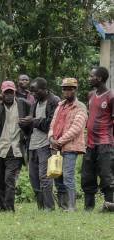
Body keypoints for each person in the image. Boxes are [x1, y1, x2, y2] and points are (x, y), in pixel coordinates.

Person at [0, 81, 32, 212]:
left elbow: (31, 119)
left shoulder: (24, 104)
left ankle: (9, 208)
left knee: (9, 180)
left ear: (15, 92)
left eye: (11, 92)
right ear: (2, 93)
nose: (9, 95)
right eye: (6, 92)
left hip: (16, 149)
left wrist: (27, 125)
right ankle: (1, 208)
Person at [48, 78, 88, 212]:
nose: (67, 91)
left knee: (68, 176)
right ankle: (63, 206)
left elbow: (76, 128)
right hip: (56, 146)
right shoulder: (60, 105)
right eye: (65, 88)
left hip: (70, 147)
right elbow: (53, 123)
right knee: (57, 175)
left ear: (75, 89)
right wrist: (51, 137)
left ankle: (72, 206)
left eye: (70, 88)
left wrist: (59, 141)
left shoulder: (80, 107)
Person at [24, 78, 61, 211]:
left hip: (46, 144)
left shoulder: (54, 101)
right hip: (32, 145)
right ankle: (41, 207)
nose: (33, 94)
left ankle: (49, 207)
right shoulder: (35, 103)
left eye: (35, 91)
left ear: (45, 89)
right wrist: (24, 124)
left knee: (45, 177)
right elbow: (32, 124)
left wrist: (33, 121)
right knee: (33, 178)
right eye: (32, 91)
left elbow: (53, 123)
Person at [82, 66, 113, 211]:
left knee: (106, 176)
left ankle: (109, 205)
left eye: (91, 76)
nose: (89, 78)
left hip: (105, 143)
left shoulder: (111, 96)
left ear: (99, 78)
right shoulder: (90, 95)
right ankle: (88, 207)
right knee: (87, 176)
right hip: (90, 143)